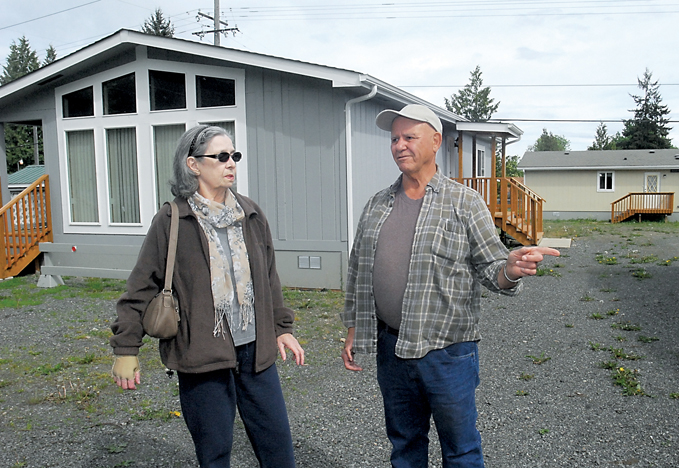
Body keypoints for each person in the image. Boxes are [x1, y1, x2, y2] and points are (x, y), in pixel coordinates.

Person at [340, 104, 560, 468]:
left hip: (447, 352)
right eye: (394, 138)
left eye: (409, 137)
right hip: (391, 347)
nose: (399, 145)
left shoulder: (464, 202)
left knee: (460, 449)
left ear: (435, 141)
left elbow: (492, 268)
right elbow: (358, 271)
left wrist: (511, 267)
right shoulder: (377, 204)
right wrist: (354, 329)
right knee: (404, 445)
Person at [110, 125, 304, 468]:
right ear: (193, 164)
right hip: (201, 355)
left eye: (234, 156)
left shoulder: (250, 214)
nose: (231, 163)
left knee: (278, 448)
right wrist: (126, 349)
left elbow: (269, 277)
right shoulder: (172, 220)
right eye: (221, 156)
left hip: (256, 352)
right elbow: (140, 289)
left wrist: (281, 327)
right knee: (214, 454)